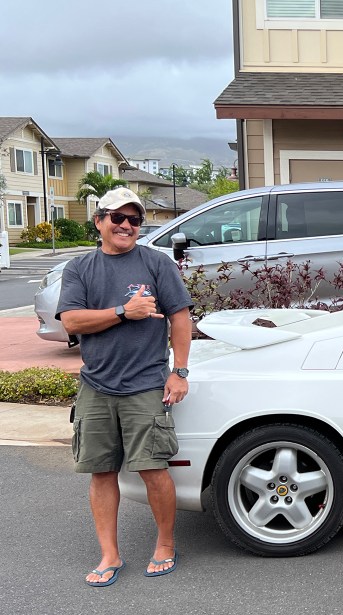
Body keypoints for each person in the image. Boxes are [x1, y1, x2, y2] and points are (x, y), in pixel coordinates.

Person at [57, 187, 193, 587]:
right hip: (96, 386)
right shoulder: (80, 268)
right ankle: (109, 555)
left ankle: (165, 544)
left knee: (154, 469)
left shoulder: (156, 263)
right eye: (118, 218)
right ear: (99, 221)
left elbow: (180, 318)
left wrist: (179, 372)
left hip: (146, 385)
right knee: (101, 473)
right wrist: (123, 311)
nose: (127, 226)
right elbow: (72, 322)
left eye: (135, 220)